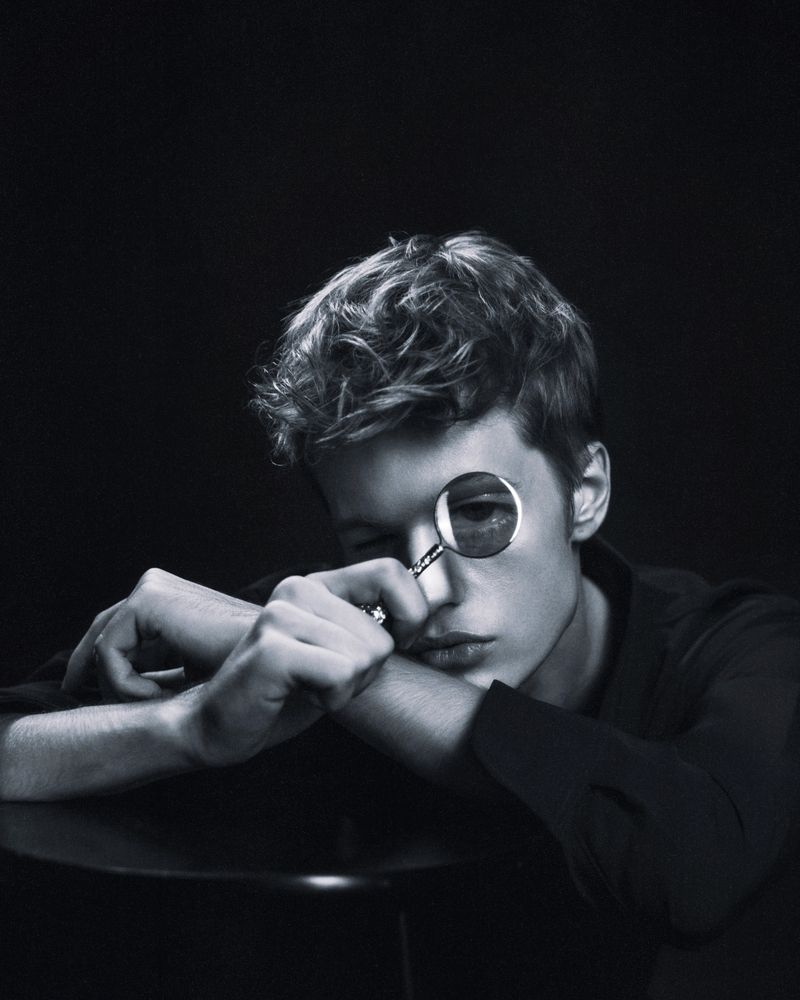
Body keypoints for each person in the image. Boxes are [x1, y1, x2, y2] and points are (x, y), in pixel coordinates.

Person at [1, 233, 799, 997]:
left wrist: (358, 681)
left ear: (584, 493)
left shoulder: (739, 648)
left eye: (479, 514)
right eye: (377, 540)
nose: (430, 589)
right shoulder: (301, 635)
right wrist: (188, 728)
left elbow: (695, 865)